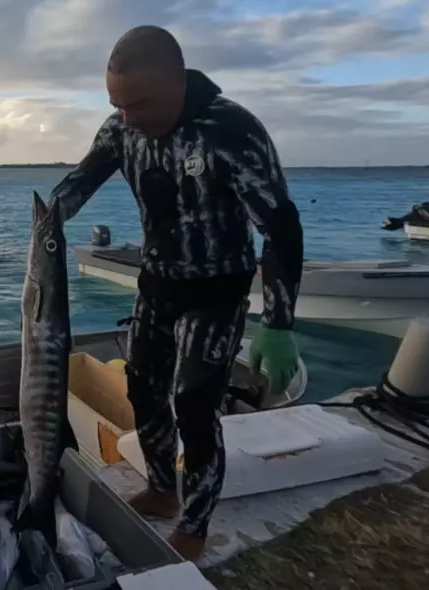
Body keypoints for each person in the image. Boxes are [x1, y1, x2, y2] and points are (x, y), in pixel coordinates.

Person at [47, 25, 303, 560]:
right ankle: (162, 488)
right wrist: (46, 221)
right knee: (142, 388)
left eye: (139, 104)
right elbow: (81, 181)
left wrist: (279, 324)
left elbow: (280, 228)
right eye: (117, 105)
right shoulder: (121, 129)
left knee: (194, 403)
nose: (127, 117)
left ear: (178, 83)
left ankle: (195, 522)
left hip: (217, 291)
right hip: (157, 282)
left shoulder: (231, 130)